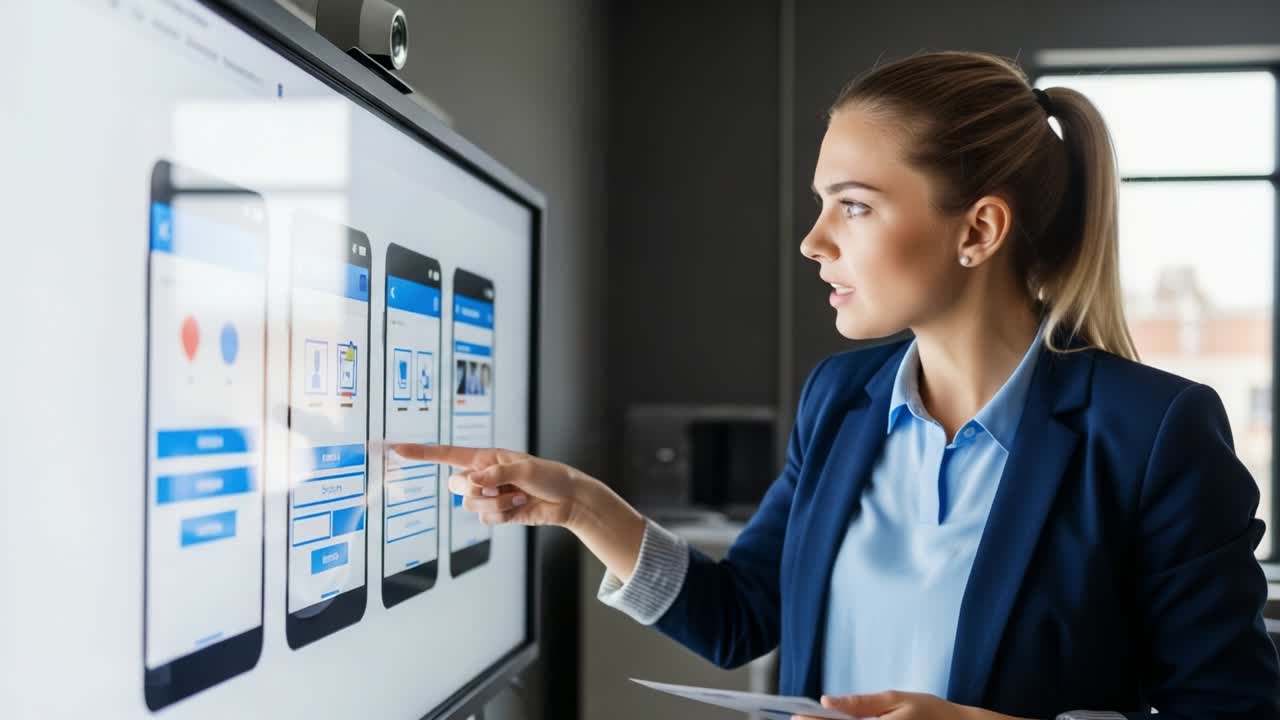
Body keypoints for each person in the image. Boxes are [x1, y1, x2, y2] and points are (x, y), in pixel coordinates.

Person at [392, 51, 1279, 719]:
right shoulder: (841, 400)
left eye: (852, 205)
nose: (815, 241)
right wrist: (582, 505)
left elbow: (1231, 714)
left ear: (978, 230)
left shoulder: (1155, 433)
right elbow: (739, 617)